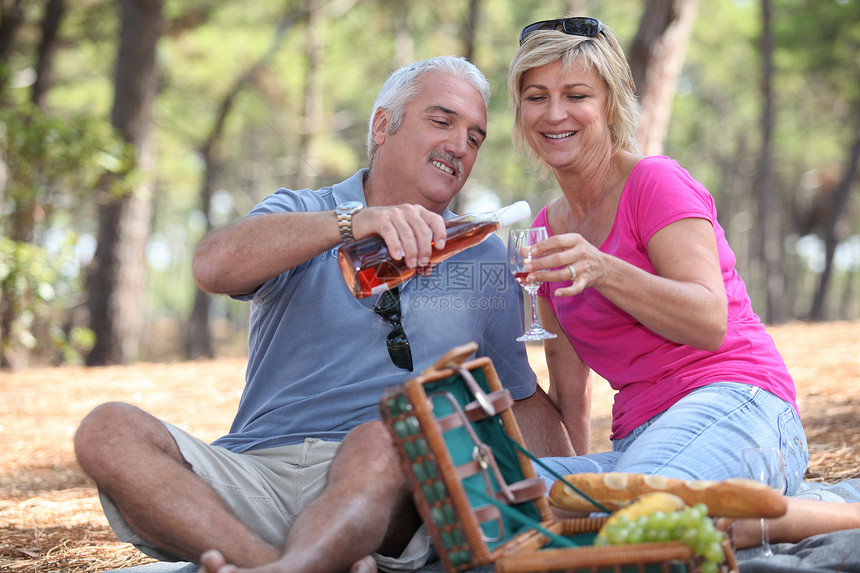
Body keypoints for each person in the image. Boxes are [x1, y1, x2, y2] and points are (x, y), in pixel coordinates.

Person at [74, 55, 573, 573]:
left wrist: (572, 501)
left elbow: (521, 397)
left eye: (475, 137)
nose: (459, 146)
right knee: (107, 428)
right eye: (442, 121)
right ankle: (284, 564)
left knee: (389, 431)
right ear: (383, 125)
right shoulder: (303, 212)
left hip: (389, 481)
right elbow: (213, 267)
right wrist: (352, 223)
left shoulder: (485, 257)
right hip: (256, 472)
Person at [507, 17, 860, 549]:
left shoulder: (655, 182)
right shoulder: (543, 233)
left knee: (639, 524)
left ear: (609, 103)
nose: (554, 113)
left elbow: (708, 321)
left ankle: (843, 513)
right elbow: (570, 389)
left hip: (736, 401)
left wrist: (603, 268)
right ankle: (739, 514)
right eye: (536, 96)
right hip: (637, 445)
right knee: (509, 505)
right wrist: (570, 502)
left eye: (575, 94)